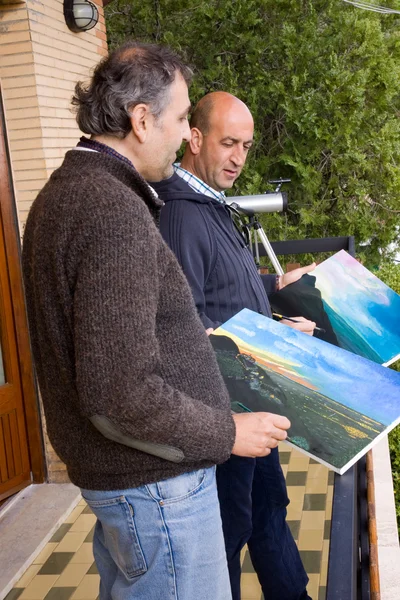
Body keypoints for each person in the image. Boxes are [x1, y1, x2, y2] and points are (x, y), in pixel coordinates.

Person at [22, 47, 291, 600]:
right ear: (142, 120)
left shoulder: (66, 193)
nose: (183, 136)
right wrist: (227, 432)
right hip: (155, 493)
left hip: (128, 486)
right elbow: (119, 393)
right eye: (179, 119)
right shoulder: (110, 211)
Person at [154, 91, 315, 600]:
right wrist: (275, 338)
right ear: (194, 138)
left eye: (245, 145)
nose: (239, 158)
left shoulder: (211, 202)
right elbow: (186, 323)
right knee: (226, 534)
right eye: (228, 143)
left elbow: (226, 286)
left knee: (268, 509)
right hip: (220, 411)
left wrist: (276, 284)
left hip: (249, 401)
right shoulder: (181, 215)